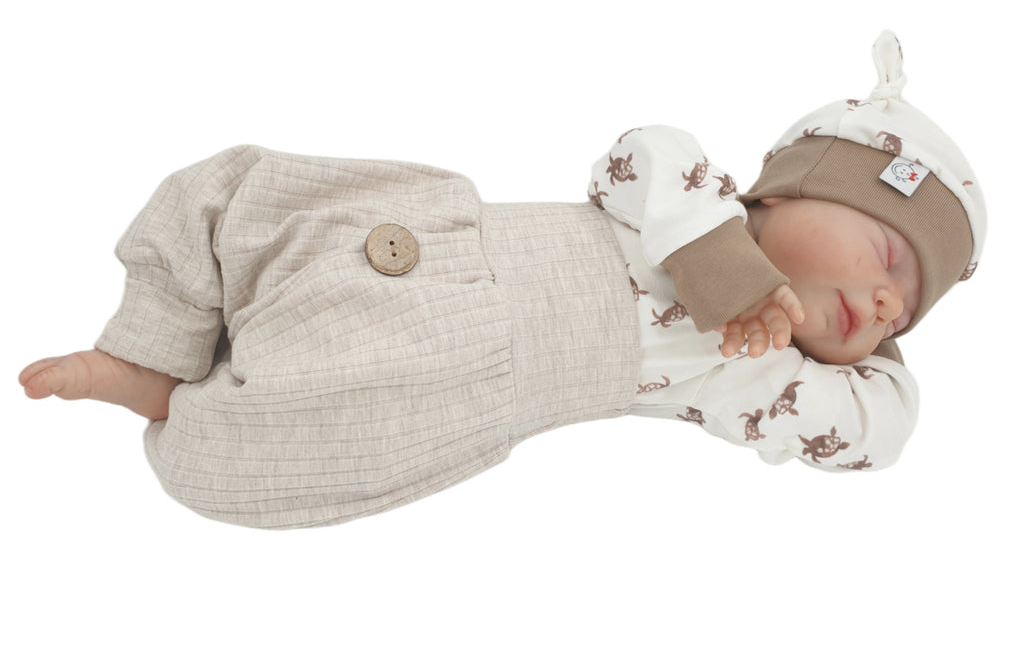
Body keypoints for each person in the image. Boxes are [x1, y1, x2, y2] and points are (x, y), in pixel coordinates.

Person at [18, 31, 985, 529]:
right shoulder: (690, 196)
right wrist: (724, 265)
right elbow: (637, 151)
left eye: (904, 316)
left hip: (454, 384)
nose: (889, 303)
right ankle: (155, 341)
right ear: (795, 188)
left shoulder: (766, 379)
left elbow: (886, 435)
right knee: (234, 199)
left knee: (251, 459)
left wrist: (845, 348)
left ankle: (159, 397)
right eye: (891, 255)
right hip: (422, 240)